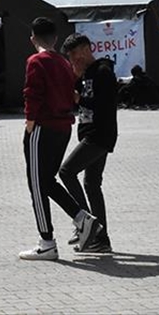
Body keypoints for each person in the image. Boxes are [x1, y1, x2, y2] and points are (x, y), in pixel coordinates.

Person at [19, 17, 100, 261]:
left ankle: (47, 242)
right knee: (47, 181)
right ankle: (82, 218)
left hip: (42, 127)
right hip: (63, 128)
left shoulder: (36, 61)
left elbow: (32, 93)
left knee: (36, 184)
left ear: (33, 39)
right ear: (55, 39)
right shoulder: (64, 63)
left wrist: (30, 123)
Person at [59, 33, 117, 253]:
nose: (72, 59)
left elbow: (104, 104)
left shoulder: (103, 72)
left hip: (99, 135)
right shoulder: (85, 74)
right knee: (92, 185)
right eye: (69, 56)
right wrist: (75, 79)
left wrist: (79, 98)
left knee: (66, 172)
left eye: (74, 54)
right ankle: (101, 240)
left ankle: (86, 222)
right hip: (90, 134)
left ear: (86, 49)